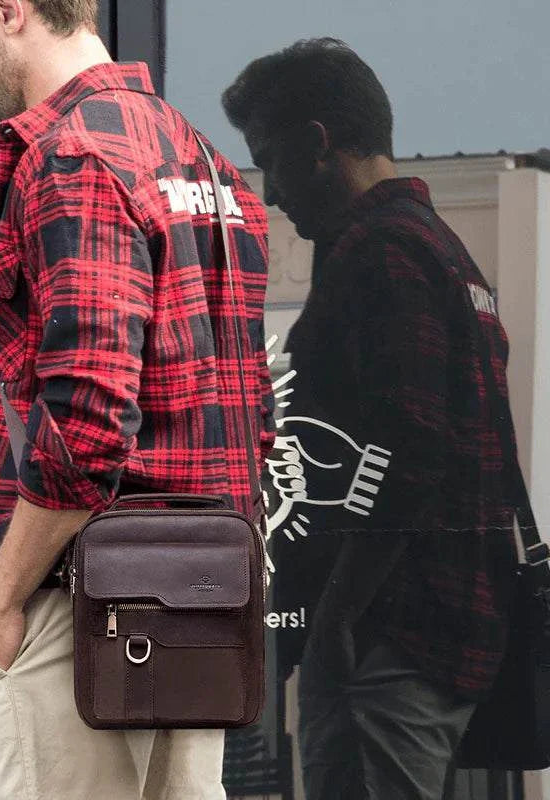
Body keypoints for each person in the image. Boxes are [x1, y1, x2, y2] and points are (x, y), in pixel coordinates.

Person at [0, 1, 275, 798]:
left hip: (78, 615)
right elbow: (251, 410)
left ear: (8, 10)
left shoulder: (73, 154)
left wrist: (0, 604)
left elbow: (87, 419)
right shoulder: (204, 162)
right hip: (190, 613)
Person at [223, 38, 517, 800]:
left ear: (317, 144)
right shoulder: (444, 253)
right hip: (435, 629)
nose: (270, 193)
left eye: (269, 160)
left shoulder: (380, 253)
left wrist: (336, 622)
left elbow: (405, 451)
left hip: (388, 636)